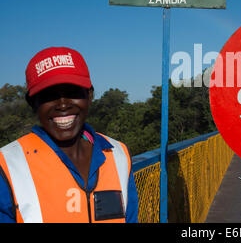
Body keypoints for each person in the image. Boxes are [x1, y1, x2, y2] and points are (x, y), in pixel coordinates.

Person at [0, 47, 139, 223]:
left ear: (89, 95)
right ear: (32, 102)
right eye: (49, 95)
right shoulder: (7, 165)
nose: (63, 104)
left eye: (72, 92)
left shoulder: (118, 153)